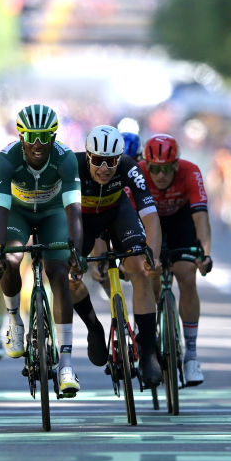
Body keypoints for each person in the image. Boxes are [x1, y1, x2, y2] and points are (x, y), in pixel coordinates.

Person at [0, 103, 84, 395]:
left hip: (52, 213)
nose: (39, 144)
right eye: (32, 137)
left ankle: (66, 362)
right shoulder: (6, 160)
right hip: (17, 213)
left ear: (54, 137)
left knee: (58, 273)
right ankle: (14, 319)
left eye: (45, 137)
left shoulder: (66, 159)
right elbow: (0, 213)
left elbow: (74, 211)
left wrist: (76, 253)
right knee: (11, 259)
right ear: (21, 138)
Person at [70, 125, 162, 386]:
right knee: (69, 277)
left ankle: (146, 353)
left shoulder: (130, 166)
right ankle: (94, 329)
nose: (105, 168)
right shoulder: (71, 166)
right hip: (82, 221)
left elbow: (150, 215)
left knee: (141, 270)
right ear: (87, 156)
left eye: (111, 161)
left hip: (118, 214)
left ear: (120, 158)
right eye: (98, 160)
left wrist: (151, 256)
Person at [139, 133, 214, 386]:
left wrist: (204, 254)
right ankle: (150, 328)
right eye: (155, 169)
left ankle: (191, 354)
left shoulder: (191, 172)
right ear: (146, 165)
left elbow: (201, 218)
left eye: (167, 169)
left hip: (181, 221)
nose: (161, 175)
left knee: (186, 274)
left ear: (177, 165)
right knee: (151, 274)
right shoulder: (137, 174)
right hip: (148, 223)